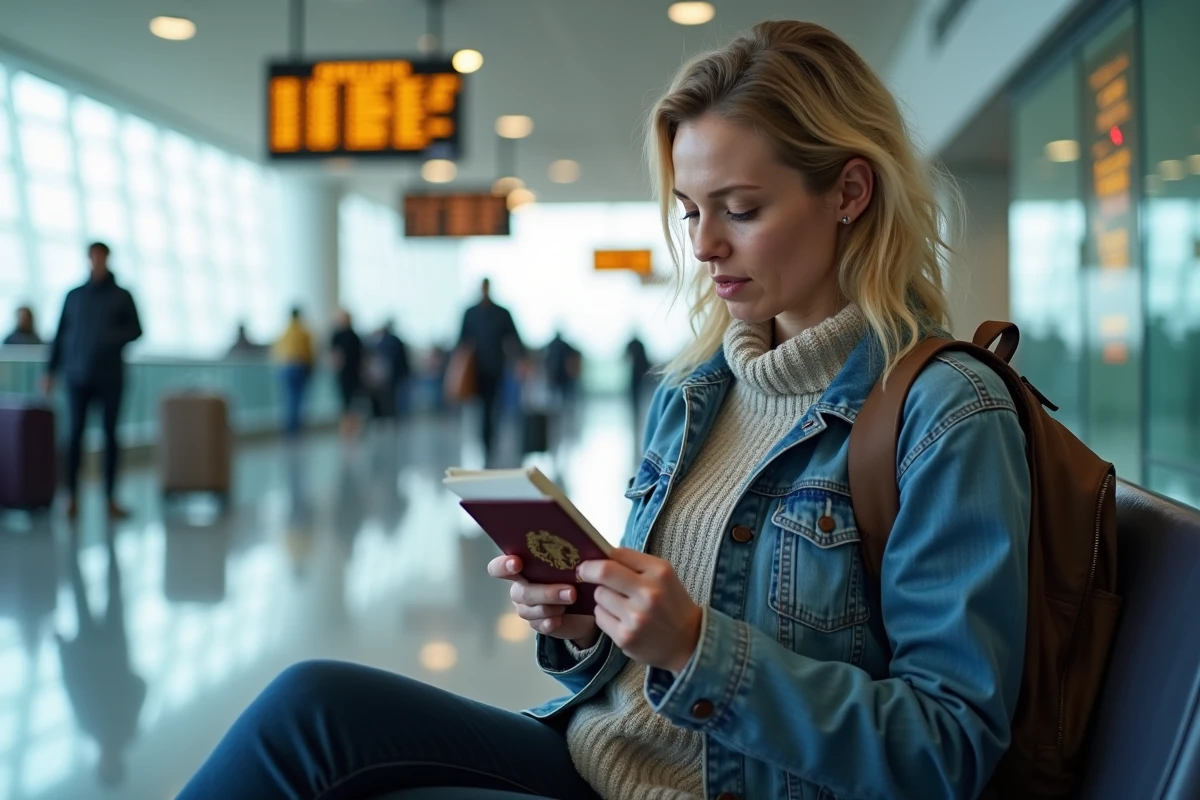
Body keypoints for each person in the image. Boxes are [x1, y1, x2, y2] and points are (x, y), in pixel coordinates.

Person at [178, 21, 1031, 800]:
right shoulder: (698, 391)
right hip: (598, 757)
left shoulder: (945, 414)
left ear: (850, 192)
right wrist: (591, 627)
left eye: (741, 210)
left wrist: (700, 650)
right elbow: (636, 668)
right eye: (692, 211)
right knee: (312, 705)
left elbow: (946, 751)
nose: (702, 246)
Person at [44, 242, 142, 521]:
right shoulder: (74, 296)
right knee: (74, 436)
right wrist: (50, 371)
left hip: (110, 376)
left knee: (111, 436)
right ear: (88, 258)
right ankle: (70, 495)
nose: (97, 260)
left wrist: (108, 339)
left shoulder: (122, 296)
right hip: (78, 375)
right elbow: (60, 334)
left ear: (107, 259)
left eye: (101, 256)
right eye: (93, 256)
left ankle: (110, 497)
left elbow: (137, 330)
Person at [456, 278, 525, 461]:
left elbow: (515, 339)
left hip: (495, 368)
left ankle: (489, 441)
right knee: (481, 408)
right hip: (476, 370)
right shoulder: (470, 313)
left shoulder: (501, 313)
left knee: (493, 406)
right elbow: (461, 342)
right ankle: (484, 440)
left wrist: (522, 360)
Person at [272, 307, 315, 440]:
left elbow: (277, 351)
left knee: (288, 398)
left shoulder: (283, 332)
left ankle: (290, 428)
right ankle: (295, 429)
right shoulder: (304, 332)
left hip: (285, 367)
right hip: (299, 366)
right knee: (298, 399)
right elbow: (309, 352)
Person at [365, 320, 411, 422]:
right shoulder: (396, 340)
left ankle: (393, 418)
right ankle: (397, 418)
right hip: (400, 375)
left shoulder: (384, 342)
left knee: (394, 400)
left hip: (393, 377)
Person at [329, 309, 364, 440]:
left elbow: (361, 356)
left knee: (353, 401)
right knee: (344, 401)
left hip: (353, 373)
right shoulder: (336, 335)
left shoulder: (354, 336)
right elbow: (332, 354)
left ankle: (353, 427)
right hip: (341, 374)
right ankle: (345, 428)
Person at [544, 330, 581, 410]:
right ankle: (560, 407)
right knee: (560, 393)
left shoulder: (552, 345)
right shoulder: (560, 345)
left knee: (560, 393)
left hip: (559, 373)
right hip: (558, 373)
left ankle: (559, 407)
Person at [625, 333, 651, 427]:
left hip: (636, 373)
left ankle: (636, 413)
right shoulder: (639, 345)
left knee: (636, 396)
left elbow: (626, 357)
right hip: (639, 374)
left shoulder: (632, 344)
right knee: (639, 396)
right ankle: (637, 413)